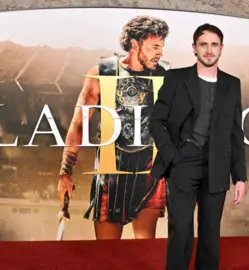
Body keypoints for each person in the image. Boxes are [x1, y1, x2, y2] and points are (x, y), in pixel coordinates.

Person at [57, 15, 171, 240]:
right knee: (108, 253)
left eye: (162, 46)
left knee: (144, 247)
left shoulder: (165, 75)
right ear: (135, 44)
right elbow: (79, 123)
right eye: (155, 46)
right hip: (111, 170)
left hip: (149, 170)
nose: (160, 52)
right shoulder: (102, 72)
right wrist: (65, 172)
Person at [149, 23, 248, 269]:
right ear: (194, 48)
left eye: (214, 45)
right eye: (203, 44)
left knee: (209, 233)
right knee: (181, 230)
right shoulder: (176, 78)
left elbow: (236, 133)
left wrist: (240, 177)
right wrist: (172, 155)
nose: (208, 50)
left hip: (217, 164)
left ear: (221, 49)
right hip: (183, 162)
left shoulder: (231, 84)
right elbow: (156, 120)